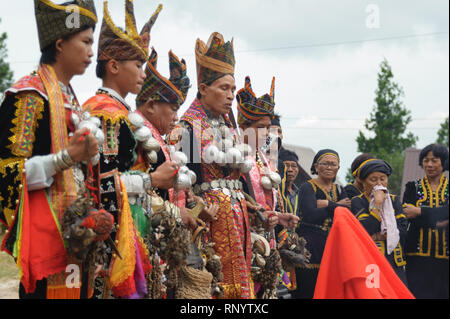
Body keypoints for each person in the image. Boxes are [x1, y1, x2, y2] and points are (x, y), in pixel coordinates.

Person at [0, 0, 99, 299]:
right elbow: (7, 173)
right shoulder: (28, 96)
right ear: (60, 44)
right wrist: (65, 158)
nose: (91, 53)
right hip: (47, 244)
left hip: (79, 238)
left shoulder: (73, 100)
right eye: (85, 42)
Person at [82, 0, 162, 299]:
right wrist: (152, 181)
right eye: (138, 65)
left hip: (131, 220)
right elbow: (103, 181)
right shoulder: (106, 113)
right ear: (114, 66)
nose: (144, 73)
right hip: (113, 230)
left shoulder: (119, 110)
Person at [168, 32, 254, 299]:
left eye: (232, 88)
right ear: (204, 89)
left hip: (238, 220)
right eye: (223, 88)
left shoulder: (228, 126)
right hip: (210, 224)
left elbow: (241, 180)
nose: (230, 96)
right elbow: (182, 186)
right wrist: (197, 210)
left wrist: (255, 206)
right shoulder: (188, 128)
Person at [236, 76, 299, 298]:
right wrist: (259, 216)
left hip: (266, 241)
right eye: (261, 127)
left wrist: (278, 217)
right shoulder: (233, 158)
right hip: (243, 242)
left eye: (268, 128)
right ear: (244, 127)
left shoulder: (263, 158)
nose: (267, 134)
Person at [295, 149, 350, 298]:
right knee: (308, 289)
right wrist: (336, 206)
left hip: (332, 245)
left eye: (333, 164)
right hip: (310, 244)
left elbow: (346, 214)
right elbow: (310, 215)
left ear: (338, 168)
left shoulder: (339, 188)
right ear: (316, 166)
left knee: (328, 289)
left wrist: (327, 204)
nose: (329, 167)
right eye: (324, 163)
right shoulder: (307, 187)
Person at [351, 159, 408, 285]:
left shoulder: (394, 200)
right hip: (370, 262)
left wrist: (377, 236)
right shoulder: (358, 201)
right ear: (363, 182)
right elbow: (364, 230)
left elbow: (402, 230)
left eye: (382, 179)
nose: (379, 184)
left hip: (394, 262)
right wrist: (377, 204)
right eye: (373, 180)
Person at [402, 144, 449, 298]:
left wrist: (420, 211)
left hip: (445, 259)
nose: (429, 164)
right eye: (426, 160)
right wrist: (440, 219)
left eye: (434, 160)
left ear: (443, 162)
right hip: (416, 258)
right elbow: (407, 214)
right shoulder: (412, 187)